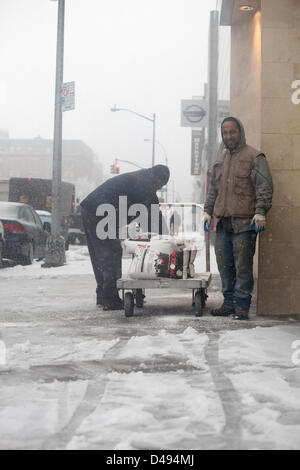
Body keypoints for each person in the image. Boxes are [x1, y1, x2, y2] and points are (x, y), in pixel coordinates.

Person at [204, 117, 273, 320]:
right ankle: (229, 303)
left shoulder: (254, 157)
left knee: (242, 267)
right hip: (223, 224)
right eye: (225, 133)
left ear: (240, 132)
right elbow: (213, 190)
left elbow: (264, 187)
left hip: (245, 223)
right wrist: (208, 210)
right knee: (224, 266)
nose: (228, 136)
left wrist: (261, 211)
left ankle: (242, 306)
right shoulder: (220, 159)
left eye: (232, 132)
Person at [80, 165, 170, 310]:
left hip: (89, 208)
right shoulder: (146, 185)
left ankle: (103, 296)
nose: (159, 188)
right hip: (100, 211)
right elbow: (155, 219)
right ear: (158, 179)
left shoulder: (142, 179)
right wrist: (166, 241)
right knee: (112, 252)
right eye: (161, 184)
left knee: (99, 256)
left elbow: (146, 216)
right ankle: (109, 299)